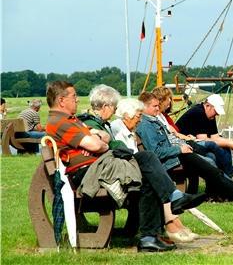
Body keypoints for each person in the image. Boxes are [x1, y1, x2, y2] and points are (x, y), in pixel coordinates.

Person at [45, 81, 174, 253]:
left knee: (147, 165)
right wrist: (97, 142)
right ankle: (164, 213)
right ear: (61, 100)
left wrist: (97, 139)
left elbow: (103, 137)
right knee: (146, 162)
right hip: (89, 174)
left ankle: (150, 236)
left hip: (99, 167)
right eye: (74, 96)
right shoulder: (61, 122)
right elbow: (98, 145)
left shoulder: (71, 120)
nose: (77, 100)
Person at [77, 84, 204, 245]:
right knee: (148, 159)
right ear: (106, 106)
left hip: (109, 168)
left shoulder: (102, 124)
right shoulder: (93, 124)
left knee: (150, 171)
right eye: (114, 107)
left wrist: (112, 144)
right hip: (102, 173)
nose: (116, 110)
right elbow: (110, 147)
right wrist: (113, 145)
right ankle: (167, 211)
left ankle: (152, 236)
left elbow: (112, 145)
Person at [136, 91, 233, 204]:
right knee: (212, 170)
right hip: (175, 158)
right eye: (154, 106)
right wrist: (180, 149)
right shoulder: (146, 125)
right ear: (144, 107)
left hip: (180, 153)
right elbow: (155, 152)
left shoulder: (152, 121)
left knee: (212, 170)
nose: (158, 109)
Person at [176, 94, 233, 183]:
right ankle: (231, 176)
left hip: (196, 144)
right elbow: (205, 140)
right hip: (184, 144)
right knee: (212, 156)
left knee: (223, 148)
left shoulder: (210, 114)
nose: (217, 114)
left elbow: (216, 137)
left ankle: (229, 182)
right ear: (207, 106)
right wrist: (228, 143)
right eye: (216, 111)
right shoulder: (199, 112)